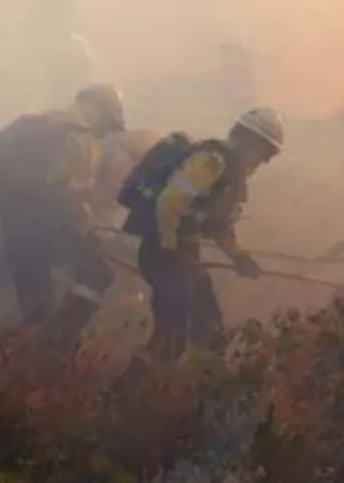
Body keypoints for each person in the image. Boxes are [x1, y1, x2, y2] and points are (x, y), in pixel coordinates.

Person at [119, 107, 285, 357]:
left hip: (182, 253)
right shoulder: (213, 161)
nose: (262, 162)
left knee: (209, 331)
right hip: (165, 252)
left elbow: (219, 227)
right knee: (172, 335)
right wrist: (169, 241)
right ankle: (127, 392)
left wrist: (239, 257)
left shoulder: (230, 173)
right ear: (251, 141)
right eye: (264, 154)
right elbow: (170, 201)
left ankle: (199, 388)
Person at [0, 84, 128, 342]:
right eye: (108, 125)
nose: (104, 134)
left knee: (35, 291)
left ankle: (32, 350)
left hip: (13, 221)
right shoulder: (81, 137)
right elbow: (77, 194)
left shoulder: (33, 122)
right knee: (98, 273)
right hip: (51, 217)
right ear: (98, 112)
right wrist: (90, 229)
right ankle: (60, 338)